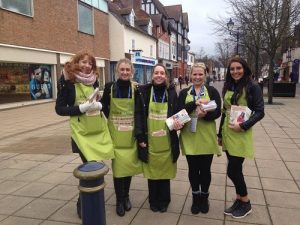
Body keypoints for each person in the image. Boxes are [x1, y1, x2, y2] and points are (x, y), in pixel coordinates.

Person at [55, 50, 114, 218]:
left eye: (90, 63)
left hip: (96, 129)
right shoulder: (67, 82)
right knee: (90, 168)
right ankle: (84, 204)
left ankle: (89, 200)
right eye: (83, 62)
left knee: (95, 167)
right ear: (76, 63)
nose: (87, 66)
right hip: (81, 133)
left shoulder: (94, 82)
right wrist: (81, 109)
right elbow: (60, 109)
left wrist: (99, 105)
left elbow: (98, 102)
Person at [218, 56, 264, 219]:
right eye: (232, 69)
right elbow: (225, 111)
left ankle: (245, 202)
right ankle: (239, 199)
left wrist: (242, 126)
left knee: (233, 170)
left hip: (241, 132)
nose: (235, 71)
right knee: (234, 168)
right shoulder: (229, 85)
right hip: (228, 132)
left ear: (244, 69)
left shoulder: (253, 87)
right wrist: (219, 134)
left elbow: (260, 112)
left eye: (238, 68)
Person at [135, 64, 182, 213]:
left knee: (164, 173)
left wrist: (178, 123)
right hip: (150, 140)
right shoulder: (144, 91)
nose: (159, 75)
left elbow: (178, 113)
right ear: (152, 75)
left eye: (162, 73)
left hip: (167, 141)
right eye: (156, 72)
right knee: (153, 174)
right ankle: (153, 200)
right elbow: (138, 114)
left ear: (166, 76)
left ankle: (164, 200)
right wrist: (140, 136)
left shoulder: (172, 92)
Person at [178, 63, 221, 214]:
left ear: (205, 75)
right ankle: (195, 197)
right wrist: (194, 103)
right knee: (193, 169)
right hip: (189, 136)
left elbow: (218, 112)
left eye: (200, 74)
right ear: (190, 75)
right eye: (194, 74)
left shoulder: (212, 91)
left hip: (206, 136)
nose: (197, 77)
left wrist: (206, 115)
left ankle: (204, 197)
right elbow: (179, 112)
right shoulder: (184, 93)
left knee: (205, 170)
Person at [101, 58, 142, 217]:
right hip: (116, 135)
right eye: (122, 69)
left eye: (128, 70)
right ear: (117, 71)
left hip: (130, 135)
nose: (125, 72)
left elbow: (139, 109)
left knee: (128, 166)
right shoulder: (109, 87)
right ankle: (119, 200)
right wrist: (113, 119)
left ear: (132, 72)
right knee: (118, 168)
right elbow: (104, 106)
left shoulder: (136, 88)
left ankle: (126, 196)